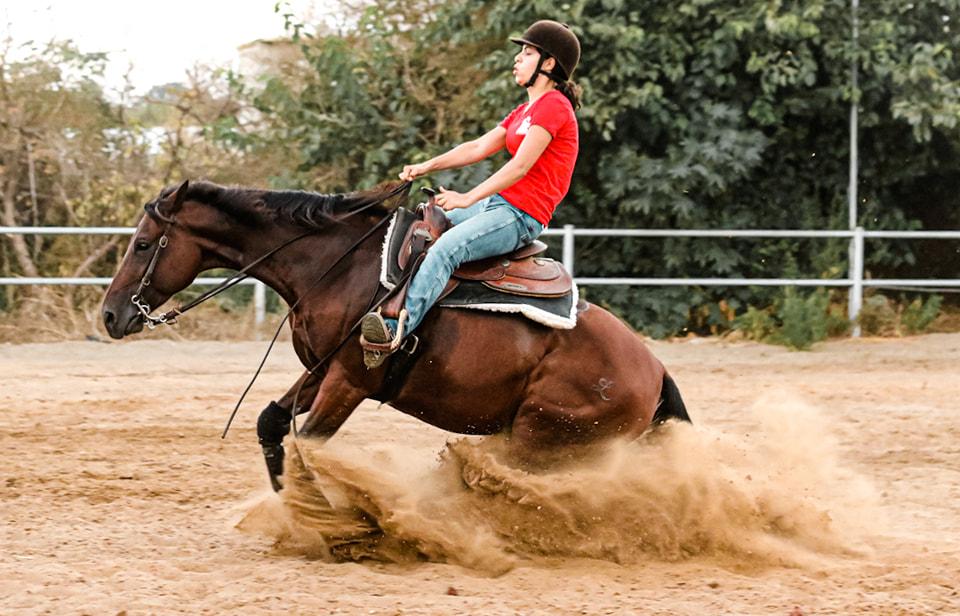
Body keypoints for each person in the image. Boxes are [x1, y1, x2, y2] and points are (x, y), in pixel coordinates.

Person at [360, 19, 582, 368]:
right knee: (425, 223)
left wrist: (467, 197)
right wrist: (427, 165)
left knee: (447, 248)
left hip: (520, 216)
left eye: (527, 53)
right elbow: (477, 147)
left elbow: (520, 166)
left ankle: (393, 332)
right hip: (497, 205)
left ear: (549, 63)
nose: (517, 59)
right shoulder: (525, 111)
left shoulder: (554, 106)